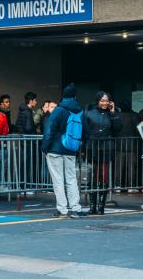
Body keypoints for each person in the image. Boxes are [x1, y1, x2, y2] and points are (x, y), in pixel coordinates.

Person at [41, 85, 87, 218]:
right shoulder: (79, 111)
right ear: (75, 96)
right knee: (71, 179)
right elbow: (85, 132)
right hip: (71, 149)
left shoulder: (59, 110)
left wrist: (45, 147)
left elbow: (49, 129)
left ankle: (62, 209)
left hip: (55, 148)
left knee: (58, 180)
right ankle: (75, 207)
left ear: (63, 96)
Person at [83, 91, 121, 214]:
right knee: (92, 177)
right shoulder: (89, 112)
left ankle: (101, 206)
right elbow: (85, 130)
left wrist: (113, 113)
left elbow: (117, 129)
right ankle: (92, 206)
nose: (104, 103)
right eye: (102, 100)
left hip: (106, 148)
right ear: (98, 101)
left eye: (107, 100)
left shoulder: (113, 113)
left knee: (104, 177)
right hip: (92, 148)